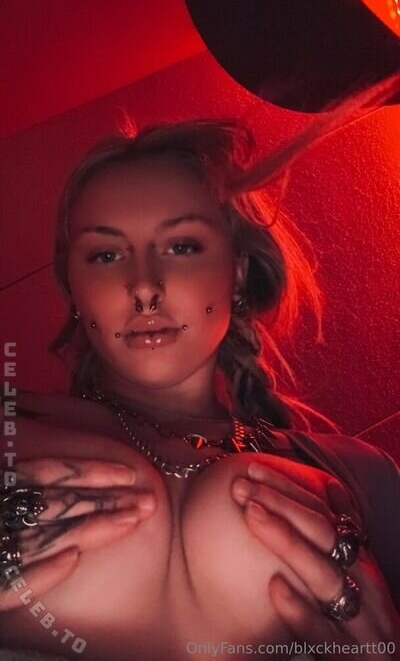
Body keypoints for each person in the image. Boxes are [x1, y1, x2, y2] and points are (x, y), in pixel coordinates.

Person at [1, 77, 400, 661]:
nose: (143, 287)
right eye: (106, 255)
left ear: (236, 272)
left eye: (181, 247)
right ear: (74, 288)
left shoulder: (364, 475)